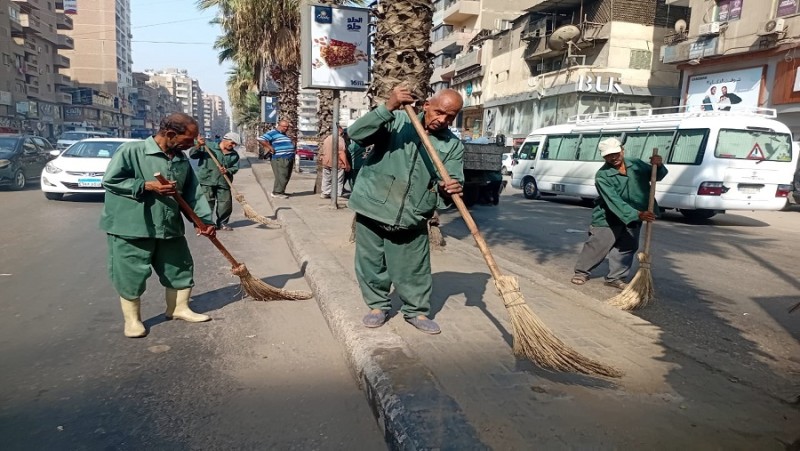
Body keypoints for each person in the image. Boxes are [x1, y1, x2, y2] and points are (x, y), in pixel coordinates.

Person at [348, 86, 464, 335]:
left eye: (450, 117)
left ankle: (417, 310)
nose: (442, 120)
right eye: (439, 112)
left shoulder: (453, 145)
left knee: (415, 267)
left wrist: (451, 188)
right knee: (371, 262)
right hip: (373, 204)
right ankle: (377, 306)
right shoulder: (397, 121)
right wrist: (387, 107)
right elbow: (356, 133)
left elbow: (454, 180)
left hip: (414, 212)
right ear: (426, 106)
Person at [100, 113, 216, 338]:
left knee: (180, 267)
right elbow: (111, 181)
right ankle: (132, 320)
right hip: (132, 228)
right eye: (188, 139)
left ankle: (178, 308)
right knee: (131, 274)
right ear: (171, 134)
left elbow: (192, 193)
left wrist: (204, 222)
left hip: (168, 226)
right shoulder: (132, 151)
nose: (192, 144)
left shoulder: (180, 159)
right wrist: (147, 186)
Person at [571, 137, 668, 290]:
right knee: (598, 244)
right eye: (608, 155)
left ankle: (615, 277)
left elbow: (657, 175)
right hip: (608, 215)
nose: (613, 157)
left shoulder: (636, 164)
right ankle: (582, 272)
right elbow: (613, 201)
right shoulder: (602, 175)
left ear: (622, 150)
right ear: (603, 156)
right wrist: (637, 214)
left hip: (637, 211)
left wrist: (658, 165)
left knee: (627, 246)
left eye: (616, 153)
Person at [190, 132, 241, 231]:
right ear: (225, 139)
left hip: (223, 182)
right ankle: (207, 223)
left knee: (225, 203)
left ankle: (222, 223)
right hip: (207, 180)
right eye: (232, 143)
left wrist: (227, 170)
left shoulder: (234, 155)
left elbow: (235, 168)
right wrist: (198, 145)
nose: (233, 146)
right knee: (207, 203)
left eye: (235, 144)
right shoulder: (208, 146)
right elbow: (193, 155)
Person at [257, 120, 295, 198]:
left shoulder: (284, 134)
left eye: (287, 127)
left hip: (289, 157)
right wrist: (269, 147)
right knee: (281, 175)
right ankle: (277, 192)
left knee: (286, 175)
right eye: (284, 127)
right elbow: (260, 139)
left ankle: (281, 191)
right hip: (280, 158)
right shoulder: (273, 132)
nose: (286, 128)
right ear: (279, 126)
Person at [320, 126, 351, 198]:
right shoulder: (340, 139)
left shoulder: (327, 139)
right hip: (338, 163)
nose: (343, 134)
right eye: (342, 132)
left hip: (326, 162)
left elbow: (323, 151)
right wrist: (346, 164)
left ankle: (325, 193)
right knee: (338, 180)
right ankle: (337, 194)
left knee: (326, 179)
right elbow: (341, 153)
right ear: (339, 132)